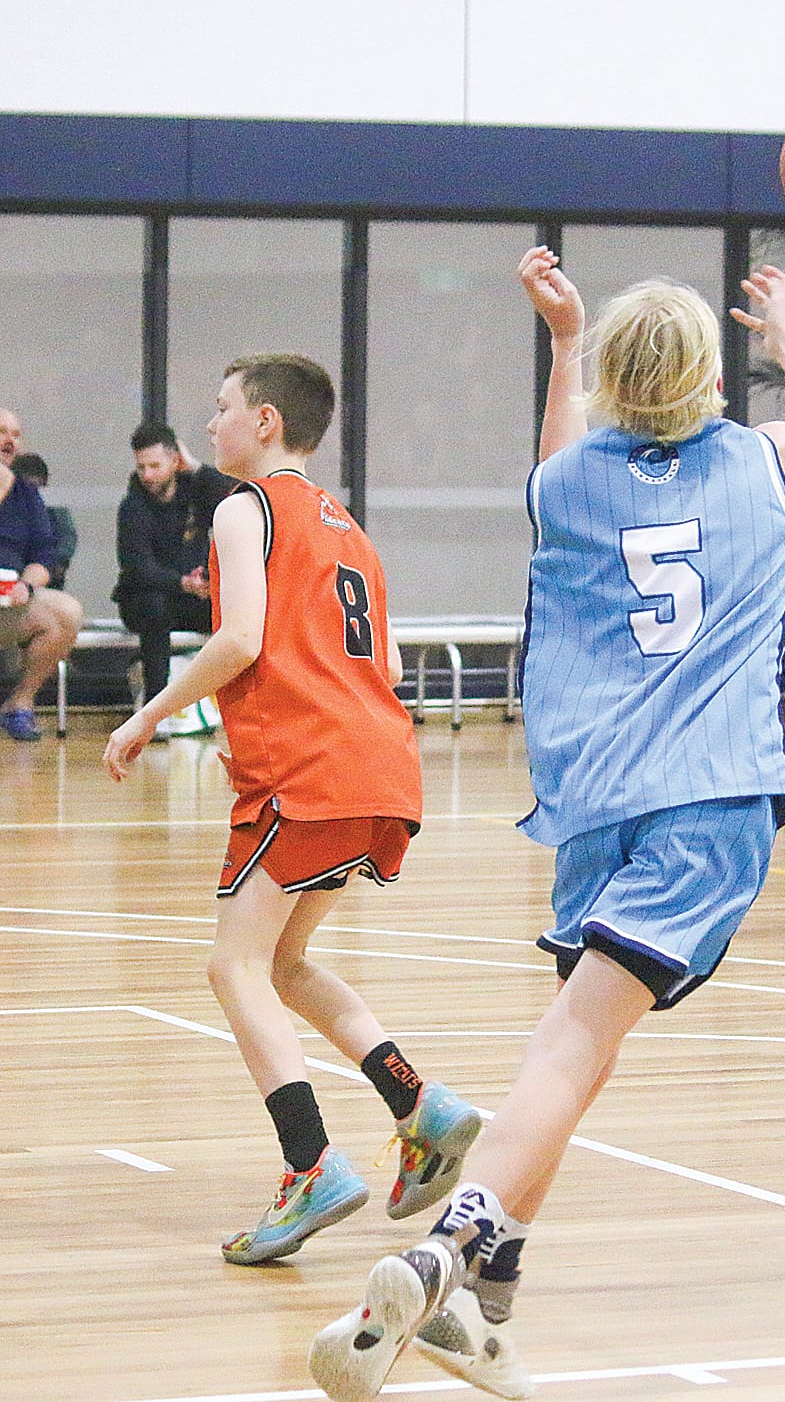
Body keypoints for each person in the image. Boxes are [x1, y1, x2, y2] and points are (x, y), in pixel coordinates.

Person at [307, 249, 785, 1400]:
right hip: (706, 806)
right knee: (574, 1047)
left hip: (596, 802)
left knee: (586, 1046)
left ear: (612, 377)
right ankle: (446, 1248)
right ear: (709, 376)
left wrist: (561, 341)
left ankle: (488, 1283)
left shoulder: (564, 486)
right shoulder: (761, 464)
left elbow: (564, 443)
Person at [103, 355, 480, 1265]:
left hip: (307, 770)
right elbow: (381, 666)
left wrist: (152, 715)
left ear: (265, 421)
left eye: (223, 407)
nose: (213, 422)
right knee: (286, 961)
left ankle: (310, 1164)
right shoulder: (351, 529)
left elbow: (238, 635)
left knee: (232, 967)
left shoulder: (244, 507)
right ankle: (419, 1104)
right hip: (382, 768)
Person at [113, 422, 237, 701]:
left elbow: (236, 495)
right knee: (153, 606)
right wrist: (183, 583)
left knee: (238, 610)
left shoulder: (196, 490)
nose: (147, 475)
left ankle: (239, 702)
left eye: (155, 466)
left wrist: (195, 466)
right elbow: (137, 569)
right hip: (146, 599)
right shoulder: (132, 507)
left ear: (175, 460)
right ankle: (155, 704)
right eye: (141, 467)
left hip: (193, 596)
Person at [0, 408, 83, 741]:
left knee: (66, 613)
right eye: (3, 432)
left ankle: (18, 703)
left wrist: (26, 584)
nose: (10, 441)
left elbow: (44, 555)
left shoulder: (25, 493)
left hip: (8, 605)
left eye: (16, 435)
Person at [10, 452, 77, 589]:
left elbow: (67, 537)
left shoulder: (54, 509)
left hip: (47, 579)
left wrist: (55, 564)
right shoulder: (10, 508)